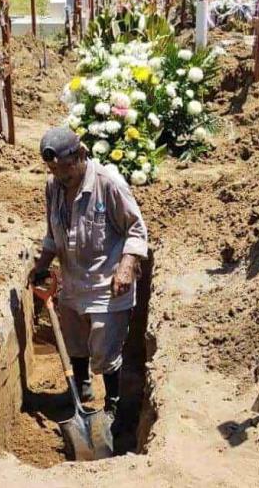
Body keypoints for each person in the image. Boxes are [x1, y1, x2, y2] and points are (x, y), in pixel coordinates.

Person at [30, 127, 148, 425]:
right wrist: (42, 265)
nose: (60, 177)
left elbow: (136, 229)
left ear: (81, 155)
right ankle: (80, 392)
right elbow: (52, 234)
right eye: (53, 171)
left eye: (66, 171)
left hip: (107, 286)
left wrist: (126, 266)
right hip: (72, 283)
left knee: (105, 353)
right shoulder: (53, 186)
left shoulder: (108, 184)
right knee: (75, 344)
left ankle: (114, 407)